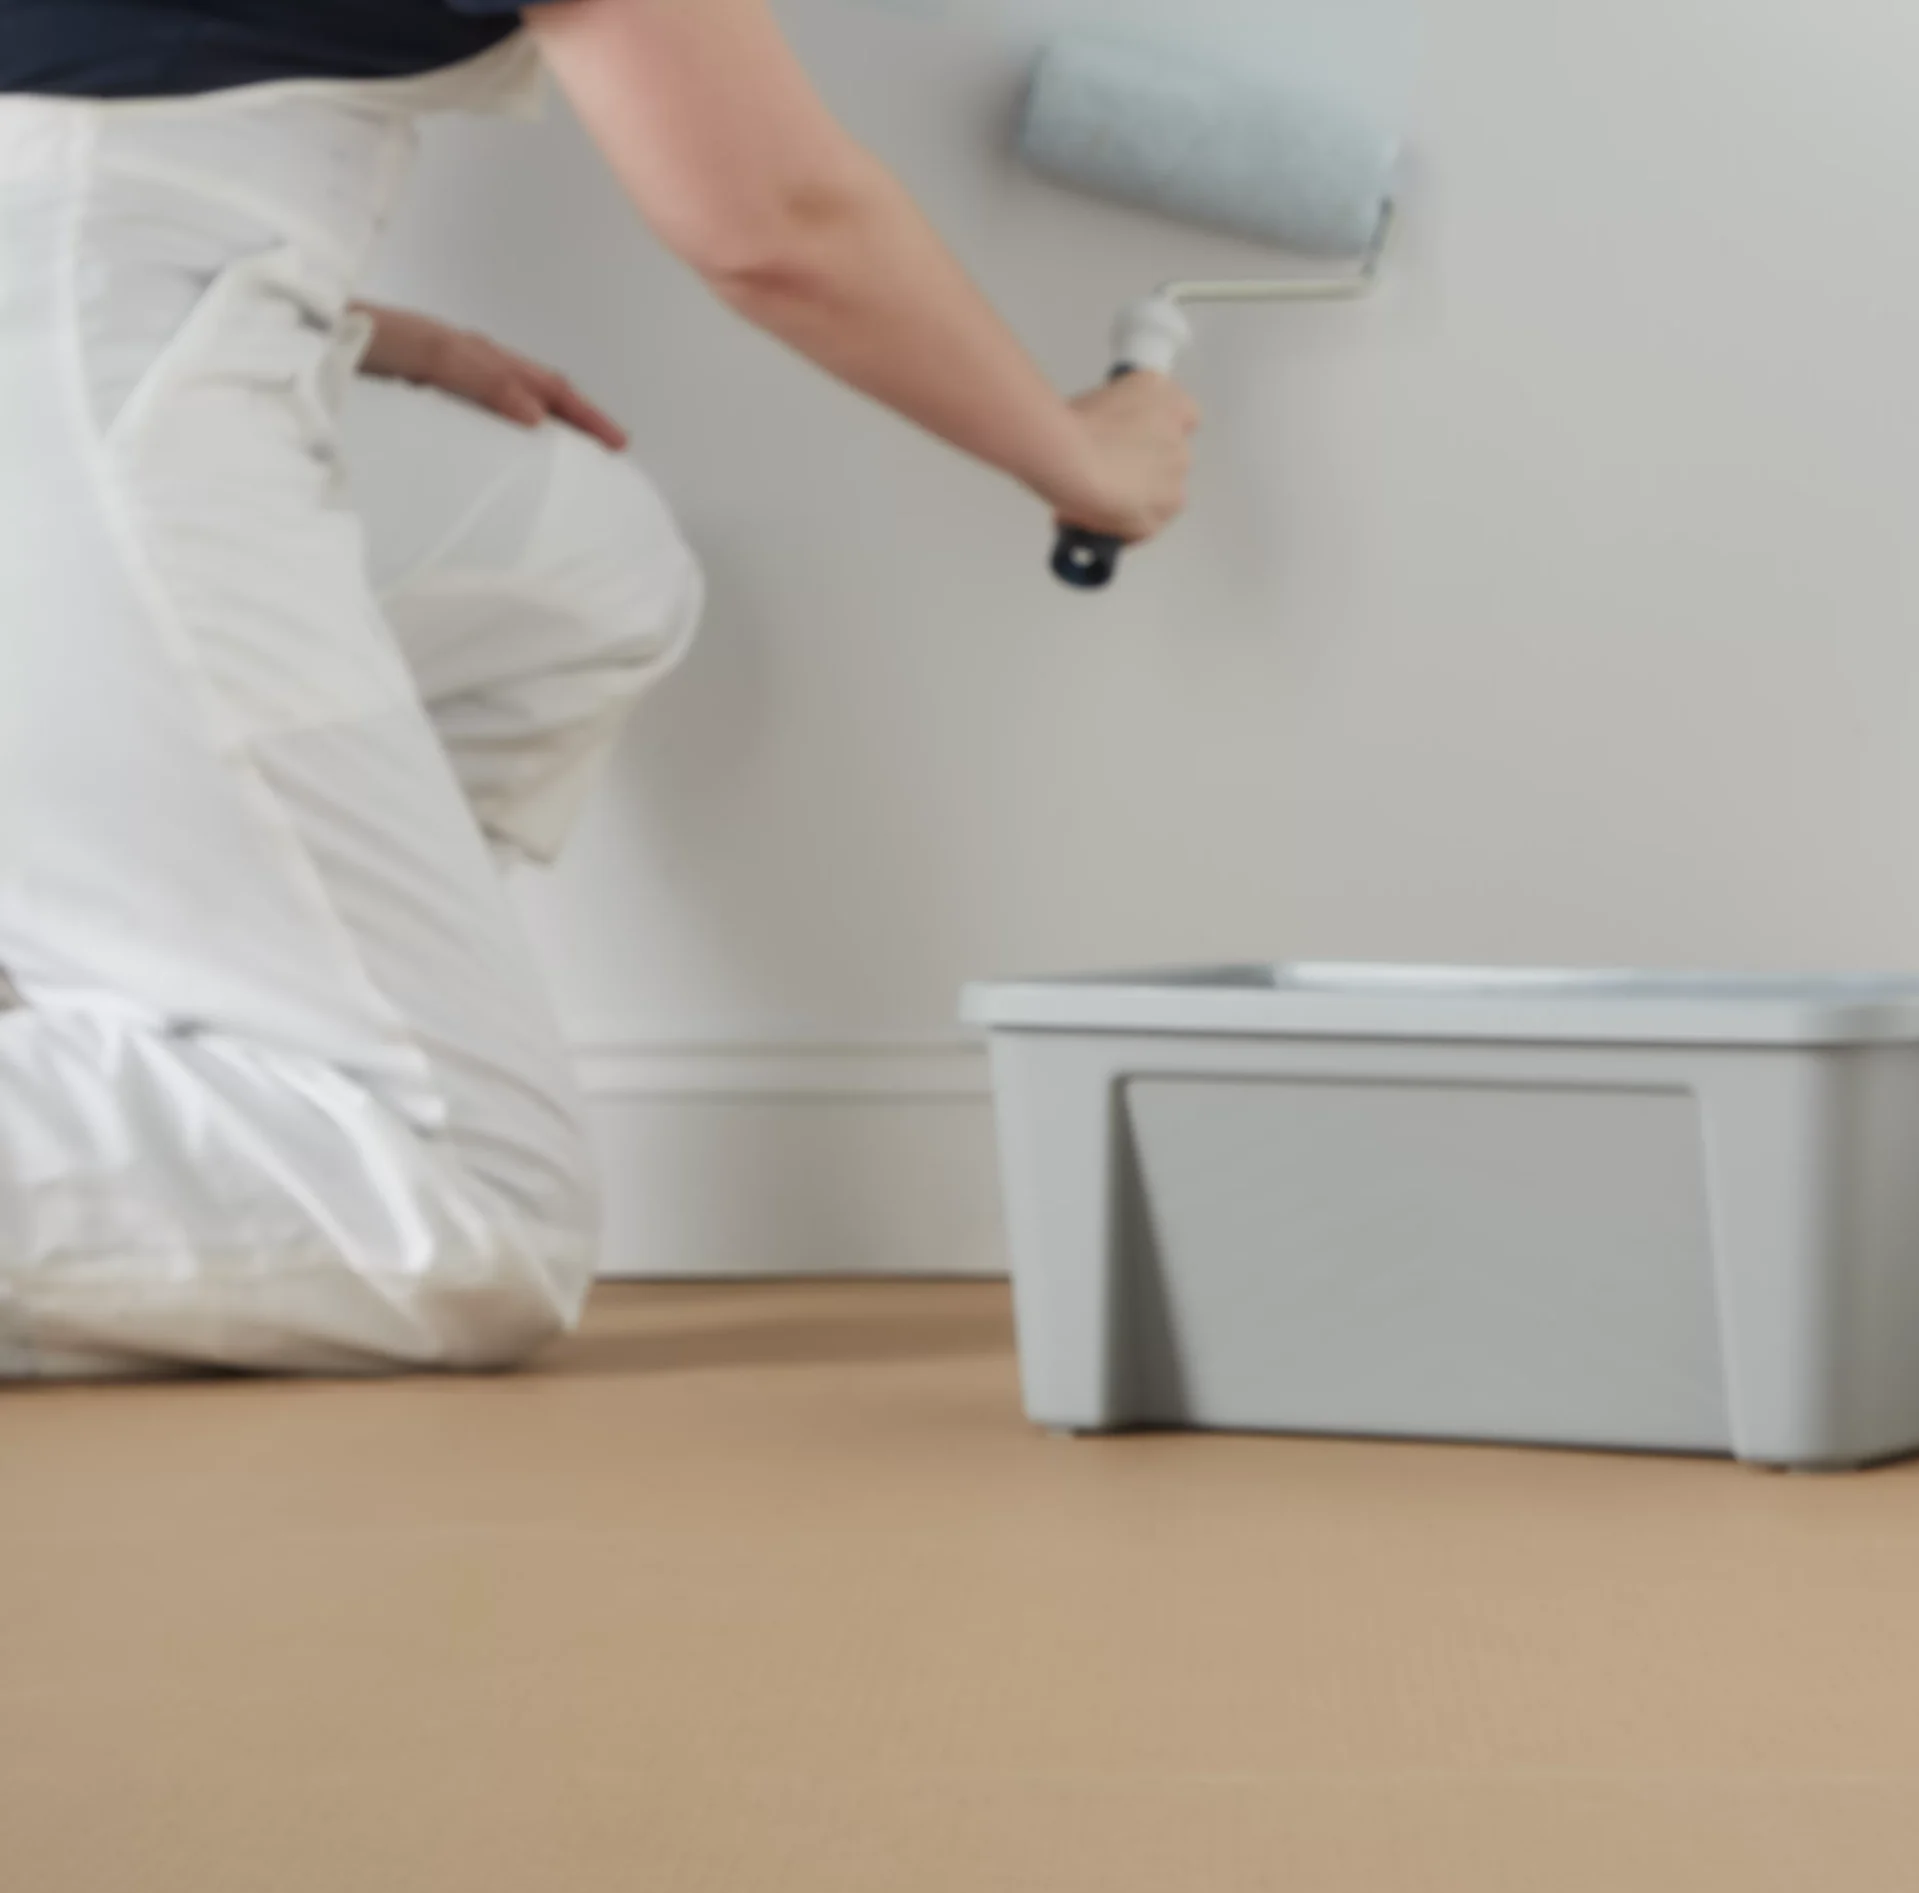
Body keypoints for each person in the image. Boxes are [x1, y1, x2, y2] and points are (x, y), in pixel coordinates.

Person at [0, 0, 1198, 1376]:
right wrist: (1076, 455)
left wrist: (311, 306)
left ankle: (137, 1004)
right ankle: (265, 1076)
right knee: (465, 1201)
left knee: (573, 565)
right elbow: (773, 222)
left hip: (106, 314)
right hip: (71, 359)